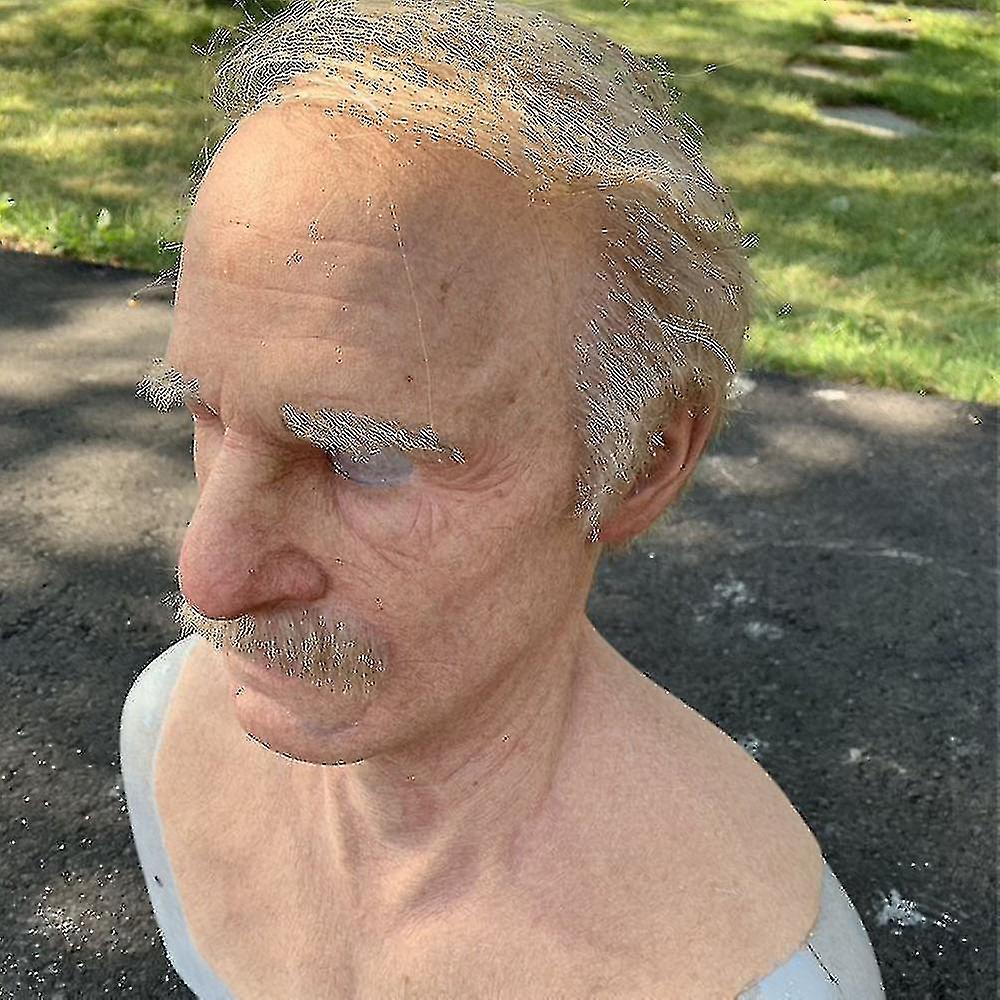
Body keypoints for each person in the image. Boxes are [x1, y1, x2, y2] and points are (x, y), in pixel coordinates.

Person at [121, 1, 885, 996]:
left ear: (642, 459)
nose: (209, 577)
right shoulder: (162, 725)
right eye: (205, 413)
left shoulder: (771, 982)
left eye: (364, 457)